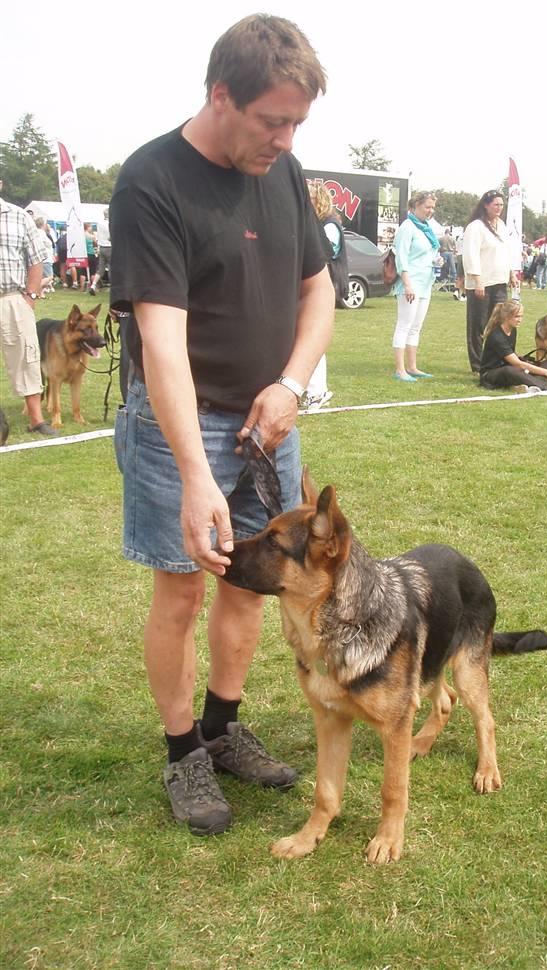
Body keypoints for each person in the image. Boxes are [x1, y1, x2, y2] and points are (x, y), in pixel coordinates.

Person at [110, 14, 333, 836]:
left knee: (251, 581)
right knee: (179, 591)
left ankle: (222, 725)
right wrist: (195, 473)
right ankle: (183, 754)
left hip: (268, 420)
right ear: (220, 95)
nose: (283, 138)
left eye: (297, 123)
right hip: (183, 427)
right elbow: (161, 340)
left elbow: (318, 291)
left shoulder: (284, 170)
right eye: (272, 120)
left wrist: (291, 384)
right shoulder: (152, 181)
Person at [0, 180, 58, 436]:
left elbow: (36, 258)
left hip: (12, 297)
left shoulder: (18, 216)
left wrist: (31, 295)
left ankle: (36, 419)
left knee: (27, 357)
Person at [462, 189, 518, 372]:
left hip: (499, 281)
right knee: (478, 325)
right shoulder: (476, 227)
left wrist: (511, 273)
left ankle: (496, 360)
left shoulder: (502, 225)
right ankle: (477, 364)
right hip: (482, 283)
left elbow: (506, 252)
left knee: (499, 324)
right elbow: (471, 255)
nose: (499, 208)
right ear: (486, 205)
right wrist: (477, 280)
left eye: (501, 205)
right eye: (495, 204)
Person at [305, 182, 348, 408]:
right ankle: (311, 390)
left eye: (308, 197)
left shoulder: (329, 226)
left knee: (313, 337)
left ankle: (317, 392)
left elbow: (324, 254)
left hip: (324, 288)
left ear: (319, 199)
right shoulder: (316, 224)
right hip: (312, 289)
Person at [390, 190, 439, 381]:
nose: (430, 211)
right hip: (410, 283)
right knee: (404, 325)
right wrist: (407, 284)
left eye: (432, 207)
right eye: (427, 207)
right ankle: (400, 369)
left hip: (425, 283)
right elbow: (401, 258)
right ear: (415, 206)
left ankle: (412, 367)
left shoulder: (426, 228)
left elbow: (426, 255)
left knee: (416, 327)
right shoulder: (407, 227)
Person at [479, 299, 547, 392]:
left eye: (521, 316)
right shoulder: (497, 336)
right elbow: (518, 364)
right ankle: (545, 387)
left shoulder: (513, 330)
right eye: (517, 316)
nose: (520, 320)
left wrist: (528, 363)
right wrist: (546, 372)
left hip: (511, 367)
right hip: (491, 374)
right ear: (506, 316)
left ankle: (530, 385)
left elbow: (514, 357)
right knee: (509, 371)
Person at [89, 208, 111, 295]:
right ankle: (112, 287)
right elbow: (110, 236)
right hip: (109, 246)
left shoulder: (99, 223)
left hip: (101, 247)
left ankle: (93, 285)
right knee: (111, 268)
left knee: (100, 269)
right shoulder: (110, 223)